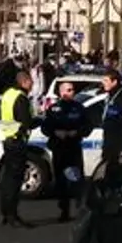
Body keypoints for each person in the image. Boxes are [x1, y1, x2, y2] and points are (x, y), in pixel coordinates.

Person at [40, 80, 90, 223]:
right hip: (59, 148)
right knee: (61, 181)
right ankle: (64, 211)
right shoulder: (54, 109)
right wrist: (56, 132)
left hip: (73, 148)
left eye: (72, 90)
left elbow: (88, 126)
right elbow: (45, 127)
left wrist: (77, 132)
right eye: (67, 90)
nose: (70, 92)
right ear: (61, 92)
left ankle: (80, 209)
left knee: (76, 179)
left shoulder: (79, 108)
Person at [0, 69, 37, 228]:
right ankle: (12, 215)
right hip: (18, 141)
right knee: (15, 181)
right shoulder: (21, 98)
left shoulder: (8, 94)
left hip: (7, 138)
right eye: (31, 82)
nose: (33, 84)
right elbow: (25, 121)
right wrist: (38, 121)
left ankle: (5, 212)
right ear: (24, 82)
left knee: (7, 180)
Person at [95, 68, 122, 193]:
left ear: (114, 82)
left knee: (116, 179)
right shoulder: (109, 98)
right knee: (107, 179)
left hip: (118, 148)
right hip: (108, 145)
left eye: (106, 80)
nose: (103, 83)